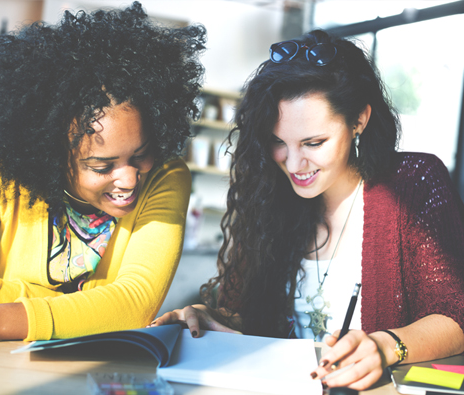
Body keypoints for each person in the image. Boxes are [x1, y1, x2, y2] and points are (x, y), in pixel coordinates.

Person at [151, 29, 464, 390]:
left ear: (359, 120)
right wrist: (216, 322)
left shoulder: (413, 183)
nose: (294, 163)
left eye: (313, 142)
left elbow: (455, 314)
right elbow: (250, 321)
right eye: (278, 142)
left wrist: (383, 345)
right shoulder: (268, 193)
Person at [0, 2, 206, 343]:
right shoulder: (4, 174)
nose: (128, 179)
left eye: (141, 154)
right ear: (52, 154)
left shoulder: (166, 177)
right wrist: (87, 311)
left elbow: (134, 305)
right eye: (102, 166)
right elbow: (119, 309)